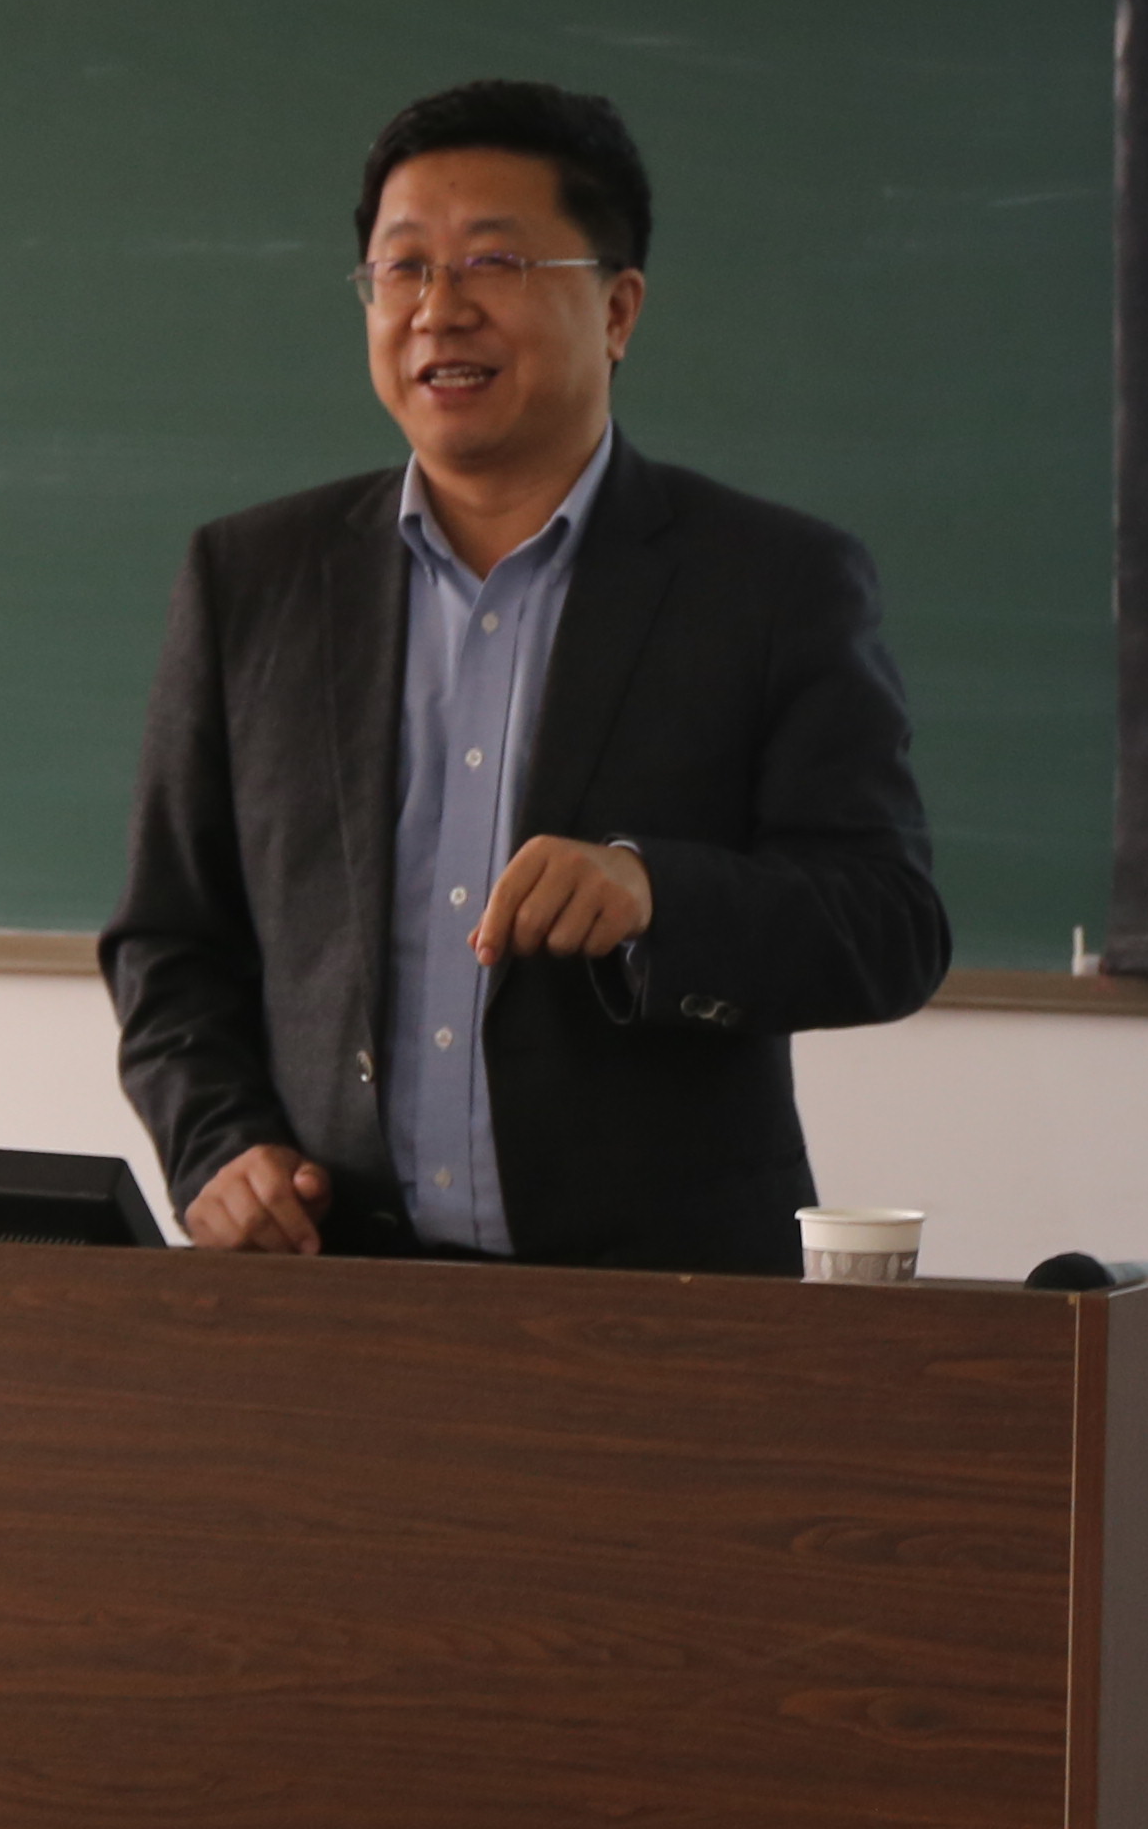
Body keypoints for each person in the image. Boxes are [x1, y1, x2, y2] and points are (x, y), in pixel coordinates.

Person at [104, 80, 949, 1272]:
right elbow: (168, 941)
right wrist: (215, 1146)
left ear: (618, 309)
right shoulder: (252, 579)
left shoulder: (771, 581)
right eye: (402, 269)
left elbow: (890, 925)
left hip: (665, 1303)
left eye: (493, 263)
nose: (438, 311)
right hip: (327, 1294)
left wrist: (655, 894)